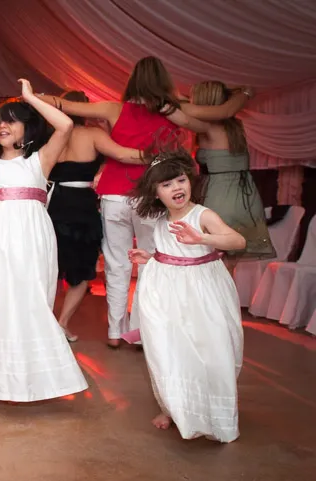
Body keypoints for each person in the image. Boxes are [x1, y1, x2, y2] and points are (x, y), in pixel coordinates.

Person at [38, 57, 247, 349]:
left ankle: (114, 331)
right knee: (149, 264)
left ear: (132, 80)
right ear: (164, 80)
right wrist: (243, 94)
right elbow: (218, 114)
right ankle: (139, 331)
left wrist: (33, 97)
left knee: (116, 264)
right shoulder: (175, 111)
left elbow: (67, 106)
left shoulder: (114, 108)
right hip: (151, 195)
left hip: (113, 193)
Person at [0, 80, 88, 403]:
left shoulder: (38, 161)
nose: (3, 126)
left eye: (11, 119)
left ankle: (32, 378)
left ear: (29, 129)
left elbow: (64, 124)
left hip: (29, 239)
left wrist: (29, 98)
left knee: (29, 301)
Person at [126, 148, 244, 442]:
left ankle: (213, 412)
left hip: (202, 294)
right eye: (166, 185)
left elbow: (237, 240)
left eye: (180, 180)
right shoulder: (162, 221)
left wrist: (202, 237)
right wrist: (151, 257)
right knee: (168, 349)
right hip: (169, 295)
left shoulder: (202, 214)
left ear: (190, 180)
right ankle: (173, 406)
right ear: (155, 193)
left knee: (208, 349)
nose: (176, 188)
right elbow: (172, 255)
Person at [47, 90, 145, 342]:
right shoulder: (91, 135)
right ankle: (61, 323)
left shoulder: (48, 137)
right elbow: (123, 154)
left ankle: (44, 324)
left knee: (48, 268)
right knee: (81, 272)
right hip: (80, 208)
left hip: (51, 205)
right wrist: (158, 156)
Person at [180, 81, 273, 259]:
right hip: (244, 197)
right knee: (229, 258)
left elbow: (183, 114)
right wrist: (244, 93)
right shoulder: (236, 127)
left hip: (219, 195)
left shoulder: (208, 127)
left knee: (213, 257)